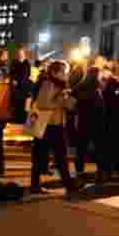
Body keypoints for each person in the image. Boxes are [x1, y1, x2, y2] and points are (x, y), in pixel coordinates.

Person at [30, 61, 78, 195]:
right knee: (40, 156)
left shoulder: (60, 86)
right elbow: (42, 103)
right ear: (54, 72)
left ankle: (68, 184)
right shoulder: (48, 84)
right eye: (62, 71)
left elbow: (66, 105)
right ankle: (35, 185)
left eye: (65, 71)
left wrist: (69, 101)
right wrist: (60, 100)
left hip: (56, 125)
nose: (65, 74)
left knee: (61, 156)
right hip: (47, 125)